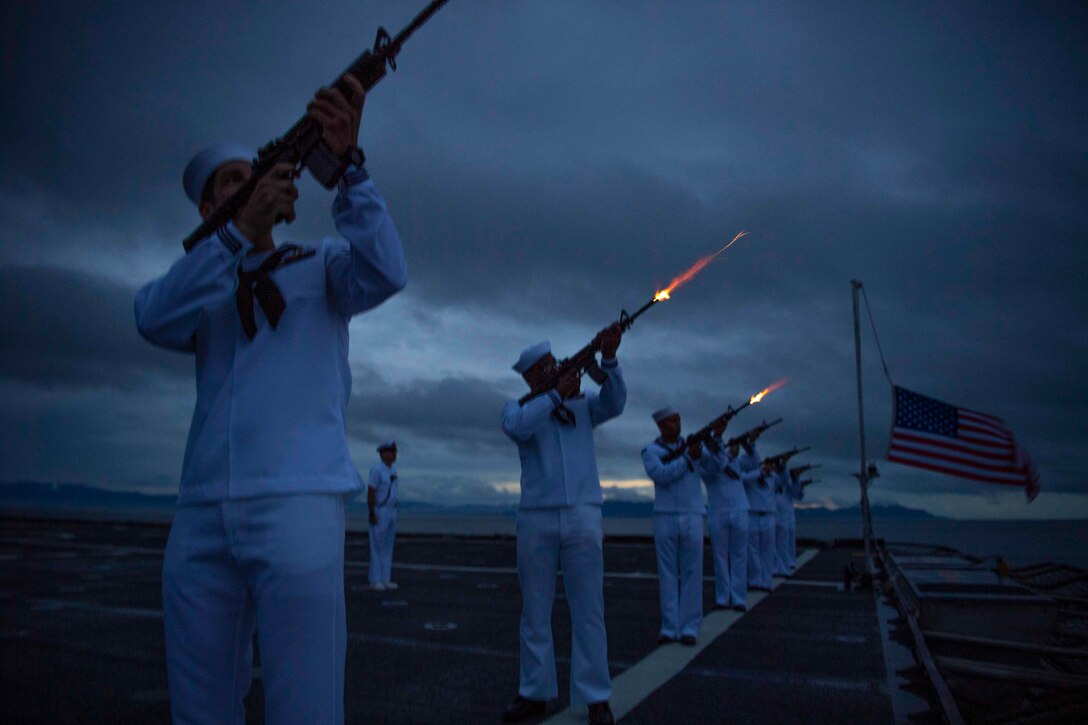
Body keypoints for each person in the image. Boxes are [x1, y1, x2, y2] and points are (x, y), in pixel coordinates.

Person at [135, 73, 406, 724]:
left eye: (250, 173)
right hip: (201, 511)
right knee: (200, 707)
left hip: (297, 501)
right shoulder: (198, 286)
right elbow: (151, 317)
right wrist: (232, 240)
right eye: (229, 182)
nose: (247, 183)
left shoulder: (320, 264)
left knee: (306, 704)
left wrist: (346, 170)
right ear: (207, 210)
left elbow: (386, 269)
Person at [499, 326, 625, 725]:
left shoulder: (584, 404)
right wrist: (553, 394)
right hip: (537, 515)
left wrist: (606, 362)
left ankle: (597, 697)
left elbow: (616, 403)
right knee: (535, 610)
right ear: (529, 378)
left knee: (589, 609)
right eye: (541, 370)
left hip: (583, 513)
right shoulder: (519, 408)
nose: (549, 371)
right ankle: (534, 693)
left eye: (551, 365)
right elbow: (518, 427)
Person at [641, 408, 712, 645]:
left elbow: (713, 471)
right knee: (668, 574)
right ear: (661, 425)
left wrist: (711, 446)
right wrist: (688, 458)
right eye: (672, 421)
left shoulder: (693, 448)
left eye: (678, 419)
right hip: (665, 515)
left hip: (692, 514)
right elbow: (661, 475)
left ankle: (690, 626)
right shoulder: (651, 451)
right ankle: (670, 627)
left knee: (693, 572)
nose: (677, 424)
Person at [699, 431, 757, 612]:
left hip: (739, 509)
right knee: (721, 557)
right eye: (711, 444)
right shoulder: (706, 461)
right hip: (717, 511)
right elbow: (715, 468)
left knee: (739, 556)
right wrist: (725, 454)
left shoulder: (736, 461)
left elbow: (755, 462)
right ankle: (723, 597)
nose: (714, 446)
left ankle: (739, 598)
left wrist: (749, 444)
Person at [740, 436, 777, 592]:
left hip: (768, 516)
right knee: (753, 551)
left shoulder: (774, 478)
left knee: (767, 551)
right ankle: (755, 580)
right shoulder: (752, 475)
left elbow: (787, 482)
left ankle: (766, 581)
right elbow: (743, 479)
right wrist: (760, 471)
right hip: (753, 516)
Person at [368, 440, 400, 591]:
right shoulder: (377, 470)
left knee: (388, 547)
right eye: (392, 451)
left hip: (391, 511)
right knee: (377, 546)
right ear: (384, 453)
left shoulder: (392, 471)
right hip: (380, 510)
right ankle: (375, 579)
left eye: (395, 452)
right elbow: (371, 492)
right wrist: (372, 512)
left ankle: (385, 578)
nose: (394, 455)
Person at [773, 462, 803, 576]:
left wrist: (796, 479)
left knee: (784, 544)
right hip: (773, 515)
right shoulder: (772, 480)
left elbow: (798, 494)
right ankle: (776, 567)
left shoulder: (787, 484)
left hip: (784, 517)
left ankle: (785, 566)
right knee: (773, 545)